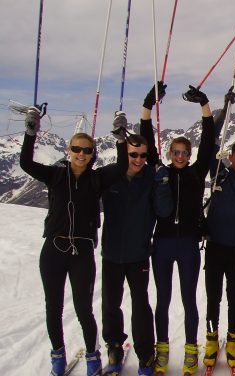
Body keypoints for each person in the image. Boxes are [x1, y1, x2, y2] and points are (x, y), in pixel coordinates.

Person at [20, 106, 129, 376]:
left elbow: (123, 166)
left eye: (87, 150)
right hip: (53, 248)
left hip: (81, 249)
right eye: (77, 149)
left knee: (83, 309)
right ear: (69, 151)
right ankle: (57, 354)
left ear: (92, 154)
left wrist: (120, 138)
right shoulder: (55, 175)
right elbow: (25, 163)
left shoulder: (96, 179)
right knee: (53, 307)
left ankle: (92, 355)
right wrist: (30, 133)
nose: (81, 154)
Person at [100, 86, 173, 375]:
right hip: (112, 254)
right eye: (134, 154)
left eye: (143, 155)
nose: (139, 159)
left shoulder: (150, 179)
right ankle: (114, 345)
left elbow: (164, 212)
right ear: (125, 153)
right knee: (111, 304)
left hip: (139, 254)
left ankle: (145, 353)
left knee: (141, 305)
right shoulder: (111, 178)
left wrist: (162, 183)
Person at [147, 84, 216, 375]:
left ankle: (191, 351)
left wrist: (205, 105)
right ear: (169, 152)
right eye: (175, 151)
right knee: (162, 299)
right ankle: (161, 350)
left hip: (188, 243)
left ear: (189, 153)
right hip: (162, 243)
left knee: (189, 299)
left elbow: (210, 139)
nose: (179, 155)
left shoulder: (196, 172)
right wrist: (148, 106)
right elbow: (146, 142)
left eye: (184, 152)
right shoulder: (160, 171)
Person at [202, 88, 235, 371]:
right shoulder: (218, 171)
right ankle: (211, 338)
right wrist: (222, 110)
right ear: (230, 156)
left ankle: (233, 339)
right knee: (212, 295)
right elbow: (209, 143)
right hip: (216, 247)